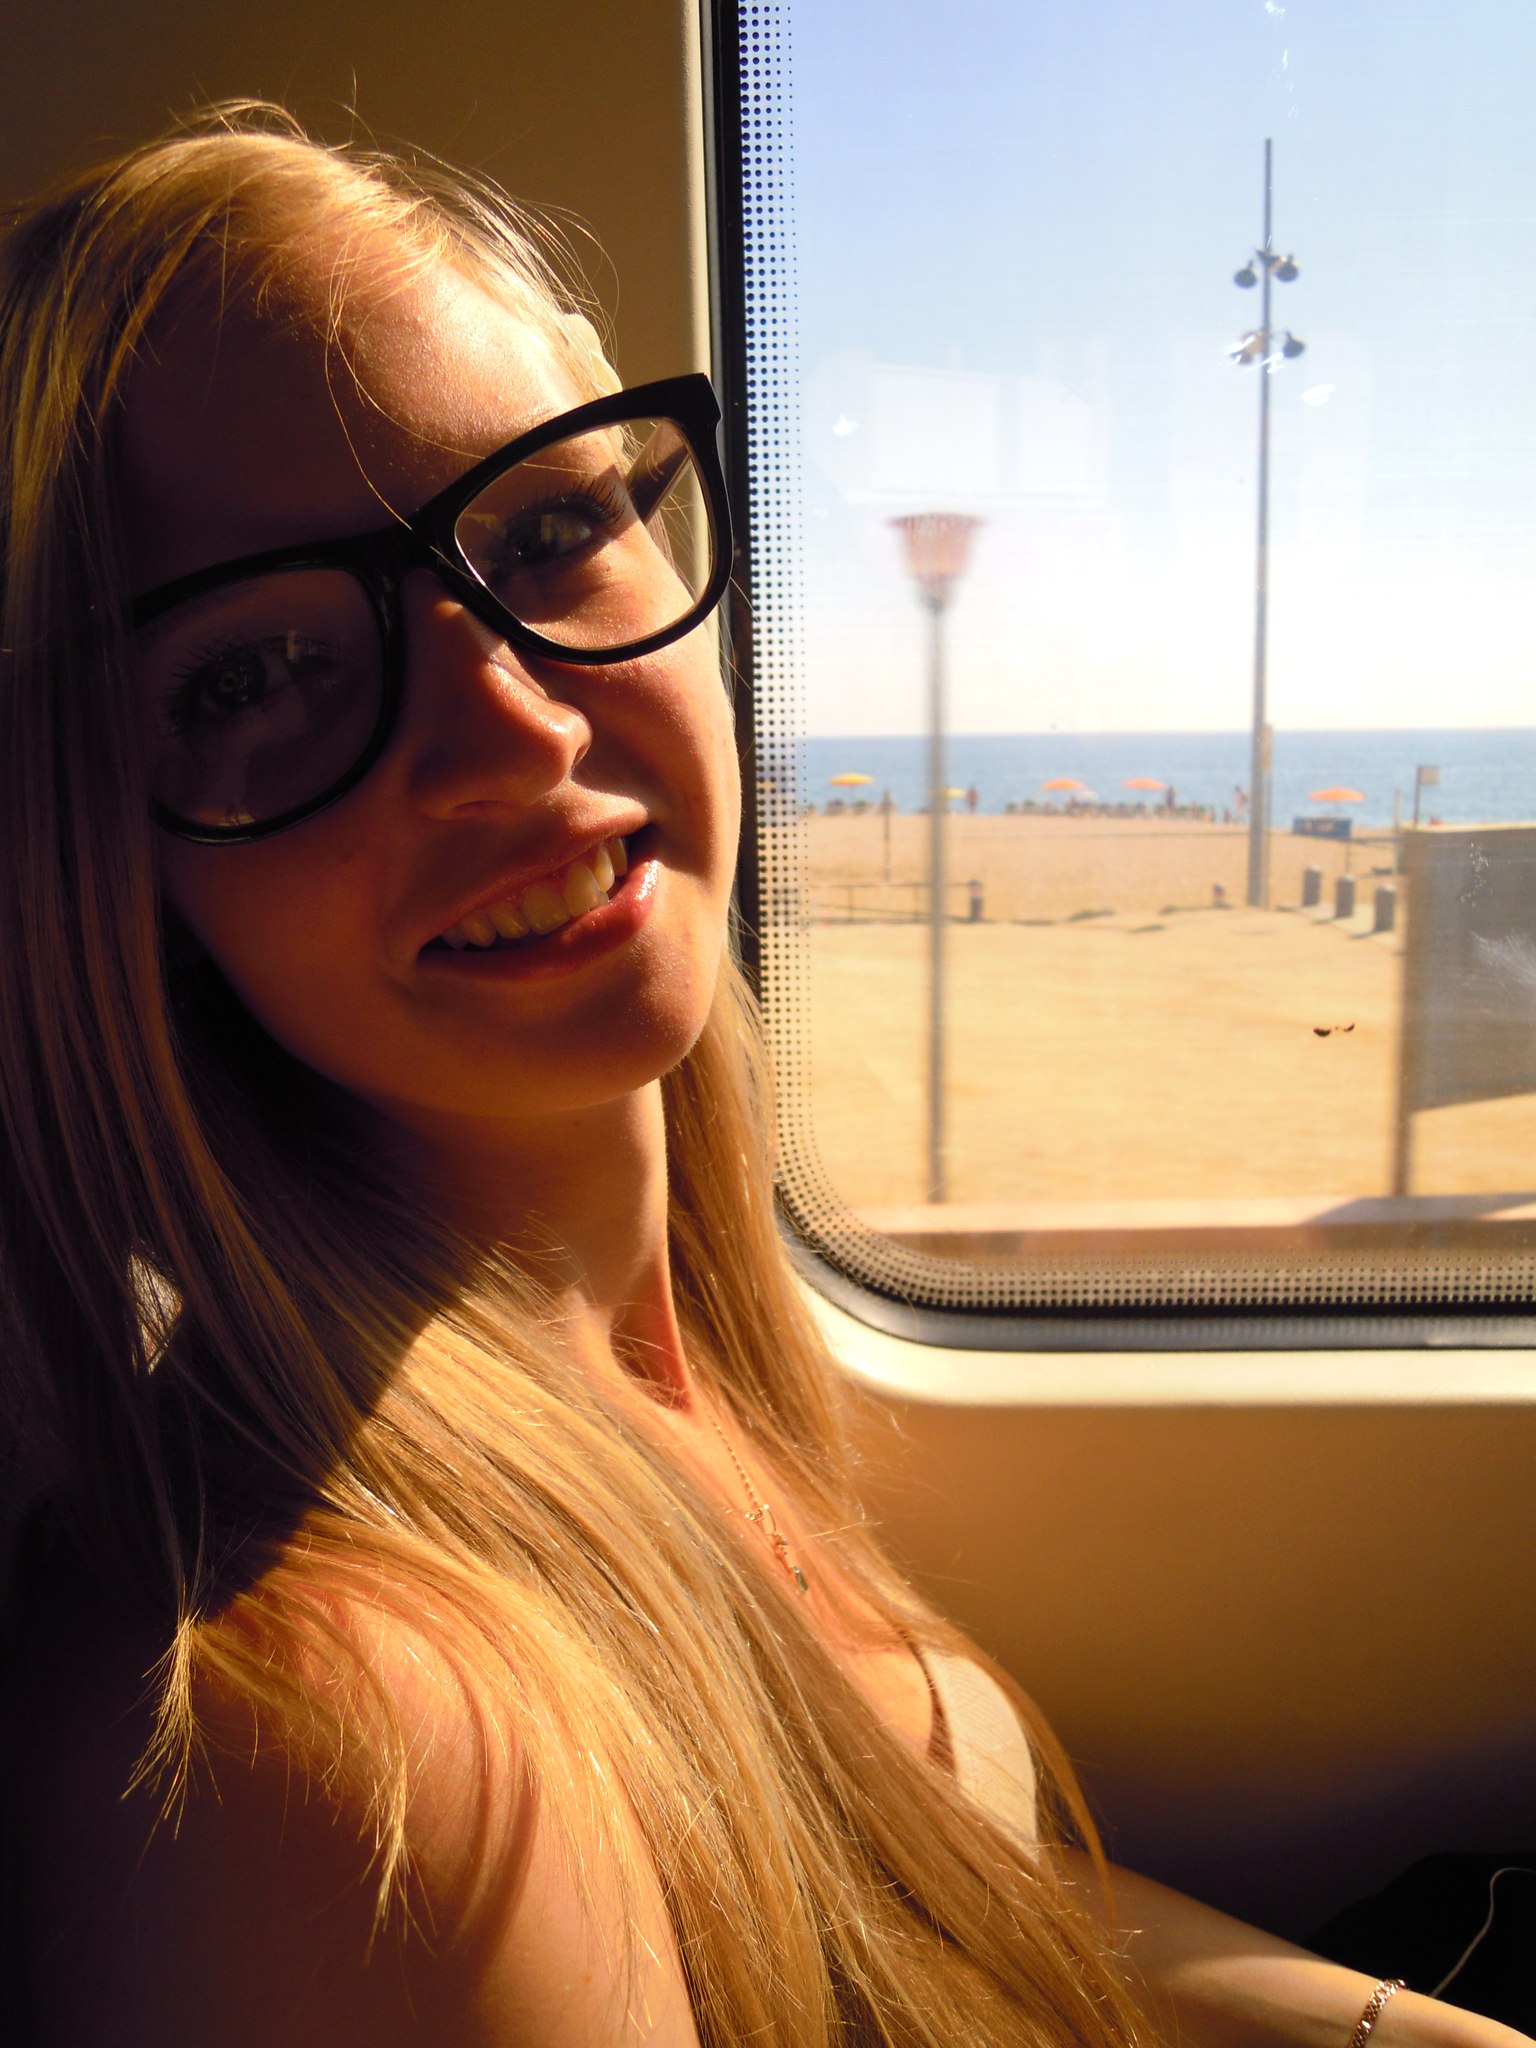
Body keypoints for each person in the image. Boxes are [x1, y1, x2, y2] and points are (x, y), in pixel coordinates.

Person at [0, 108, 1528, 2048]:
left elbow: (908, 1876)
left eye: (547, 530)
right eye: (254, 671)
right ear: (104, 857)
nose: (512, 725)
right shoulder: (344, 1758)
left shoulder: (653, 1349)